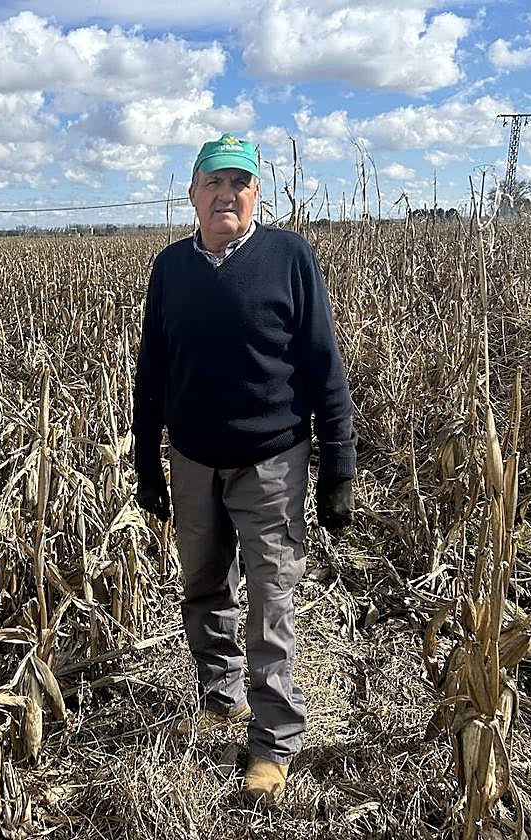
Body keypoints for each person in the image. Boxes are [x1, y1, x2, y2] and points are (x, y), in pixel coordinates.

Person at [131, 133, 355, 805]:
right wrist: (147, 459)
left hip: (272, 464)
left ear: (257, 193)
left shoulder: (289, 257)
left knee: (270, 601)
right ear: (193, 193)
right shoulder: (170, 267)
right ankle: (219, 694)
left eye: (240, 182)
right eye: (213, 182)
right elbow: (153, 372)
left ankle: (273, 740)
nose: (226, 193)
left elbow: (323, 362)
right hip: (192, 461)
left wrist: (337, 464)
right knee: (203, 588)